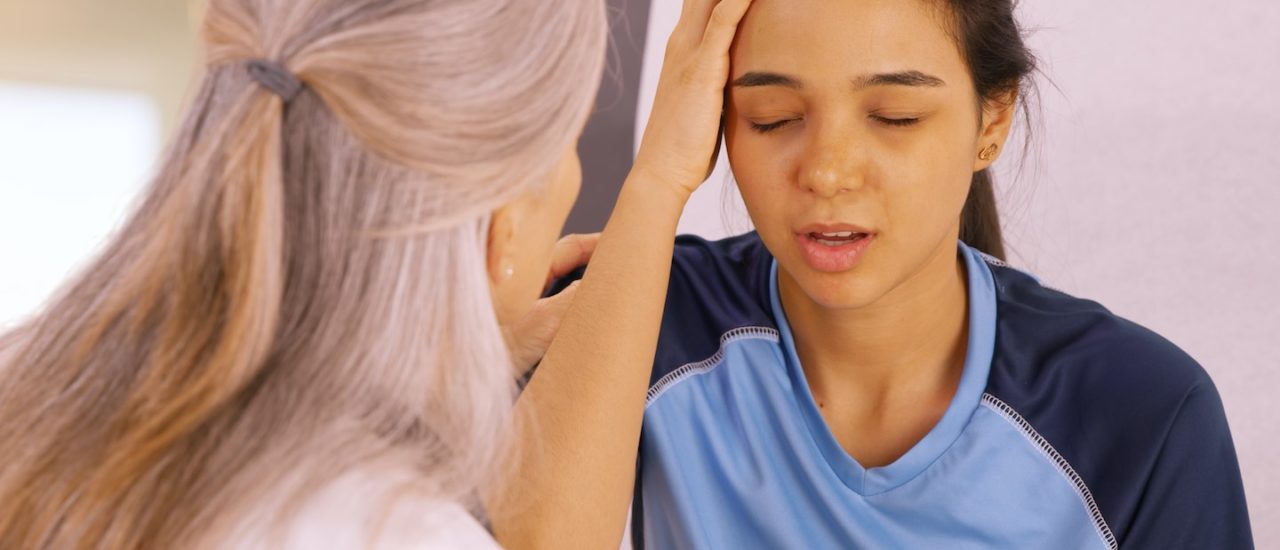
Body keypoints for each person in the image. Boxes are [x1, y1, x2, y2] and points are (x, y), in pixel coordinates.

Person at [496, 0, 1254, 548]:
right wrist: (658, 177)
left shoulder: (1143, 412)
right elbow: (539, 540)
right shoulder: (643, 321)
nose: (826, 172)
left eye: (894, 117)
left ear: (991, 121)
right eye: (771, 116)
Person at [0, 0, 609, 547]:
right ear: (501, 225)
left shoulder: (25, 392)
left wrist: (457, 359)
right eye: (571, 141)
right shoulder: (400, 531)